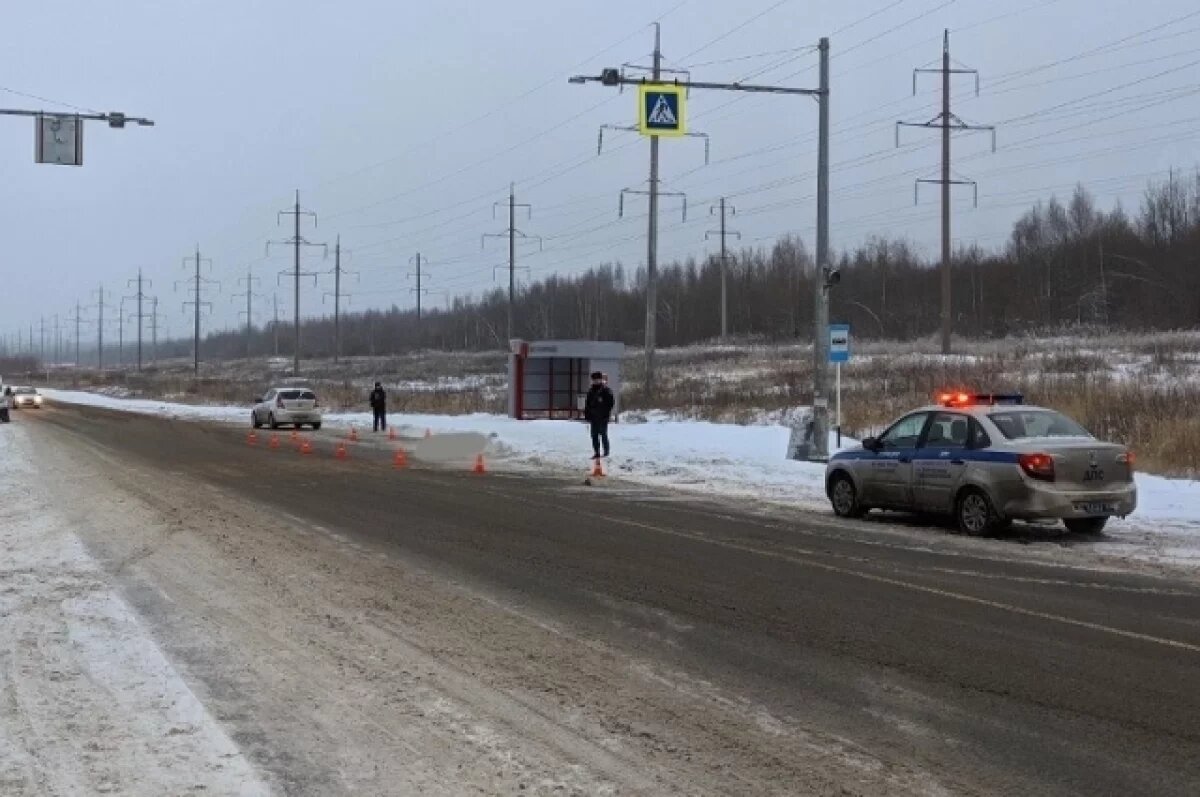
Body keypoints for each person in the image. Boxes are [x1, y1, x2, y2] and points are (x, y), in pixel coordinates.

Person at [583, 371, 614, 460]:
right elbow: (587, 404)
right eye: (594, 380)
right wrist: (587, 415)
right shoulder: (591, 391)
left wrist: (605, 412)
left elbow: (610, 403)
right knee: (594, 435)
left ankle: (606, 451)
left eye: (598, 379)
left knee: (603, 434)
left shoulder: (606, 390)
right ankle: (596, 452)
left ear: (601, 380)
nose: (596, 381)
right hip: (593, 417)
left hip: (603, 417)